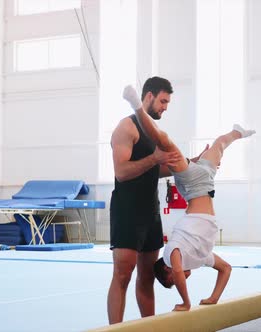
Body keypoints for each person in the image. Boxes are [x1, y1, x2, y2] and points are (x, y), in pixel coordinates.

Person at [122, 84, 256, 312]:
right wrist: (214, 297)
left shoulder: (173, 253)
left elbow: (177, 271)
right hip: (206, 181)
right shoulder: (200, 256)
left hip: (192, 185)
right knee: (220, 144)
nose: (184, 277)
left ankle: (136, 106)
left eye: (176, 280)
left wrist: (186, 302)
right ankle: (238, 132)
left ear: (167, 271)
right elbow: (226, 269)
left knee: (164, 142)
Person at [107, 77, 207, 324]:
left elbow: (159, 169)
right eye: (163, 101)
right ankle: (115, 330)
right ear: (148, 96)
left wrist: (194, 161)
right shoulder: (126, 128)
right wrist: (154, 159)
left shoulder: (155, 133)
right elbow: (121, 172)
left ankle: (148, 328)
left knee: (147, 277)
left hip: (150, 212)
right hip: (127, 210)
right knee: (122, 275)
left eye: (168, 102)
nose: (165, 107)